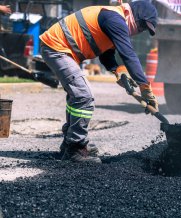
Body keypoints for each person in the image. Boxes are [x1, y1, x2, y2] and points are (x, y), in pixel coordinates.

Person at [40, 1, 159, 163]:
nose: (140, 31)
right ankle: (75, 148)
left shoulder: (114, 20)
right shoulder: (115, 19)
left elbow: (106, 55)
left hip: (61, 49)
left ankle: (70, 142)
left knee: (77, 95)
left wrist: (118, 72)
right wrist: (145, 88)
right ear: (135, 16)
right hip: (57, 48)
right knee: (84, 97)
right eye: (142, 26)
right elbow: (128, 55)